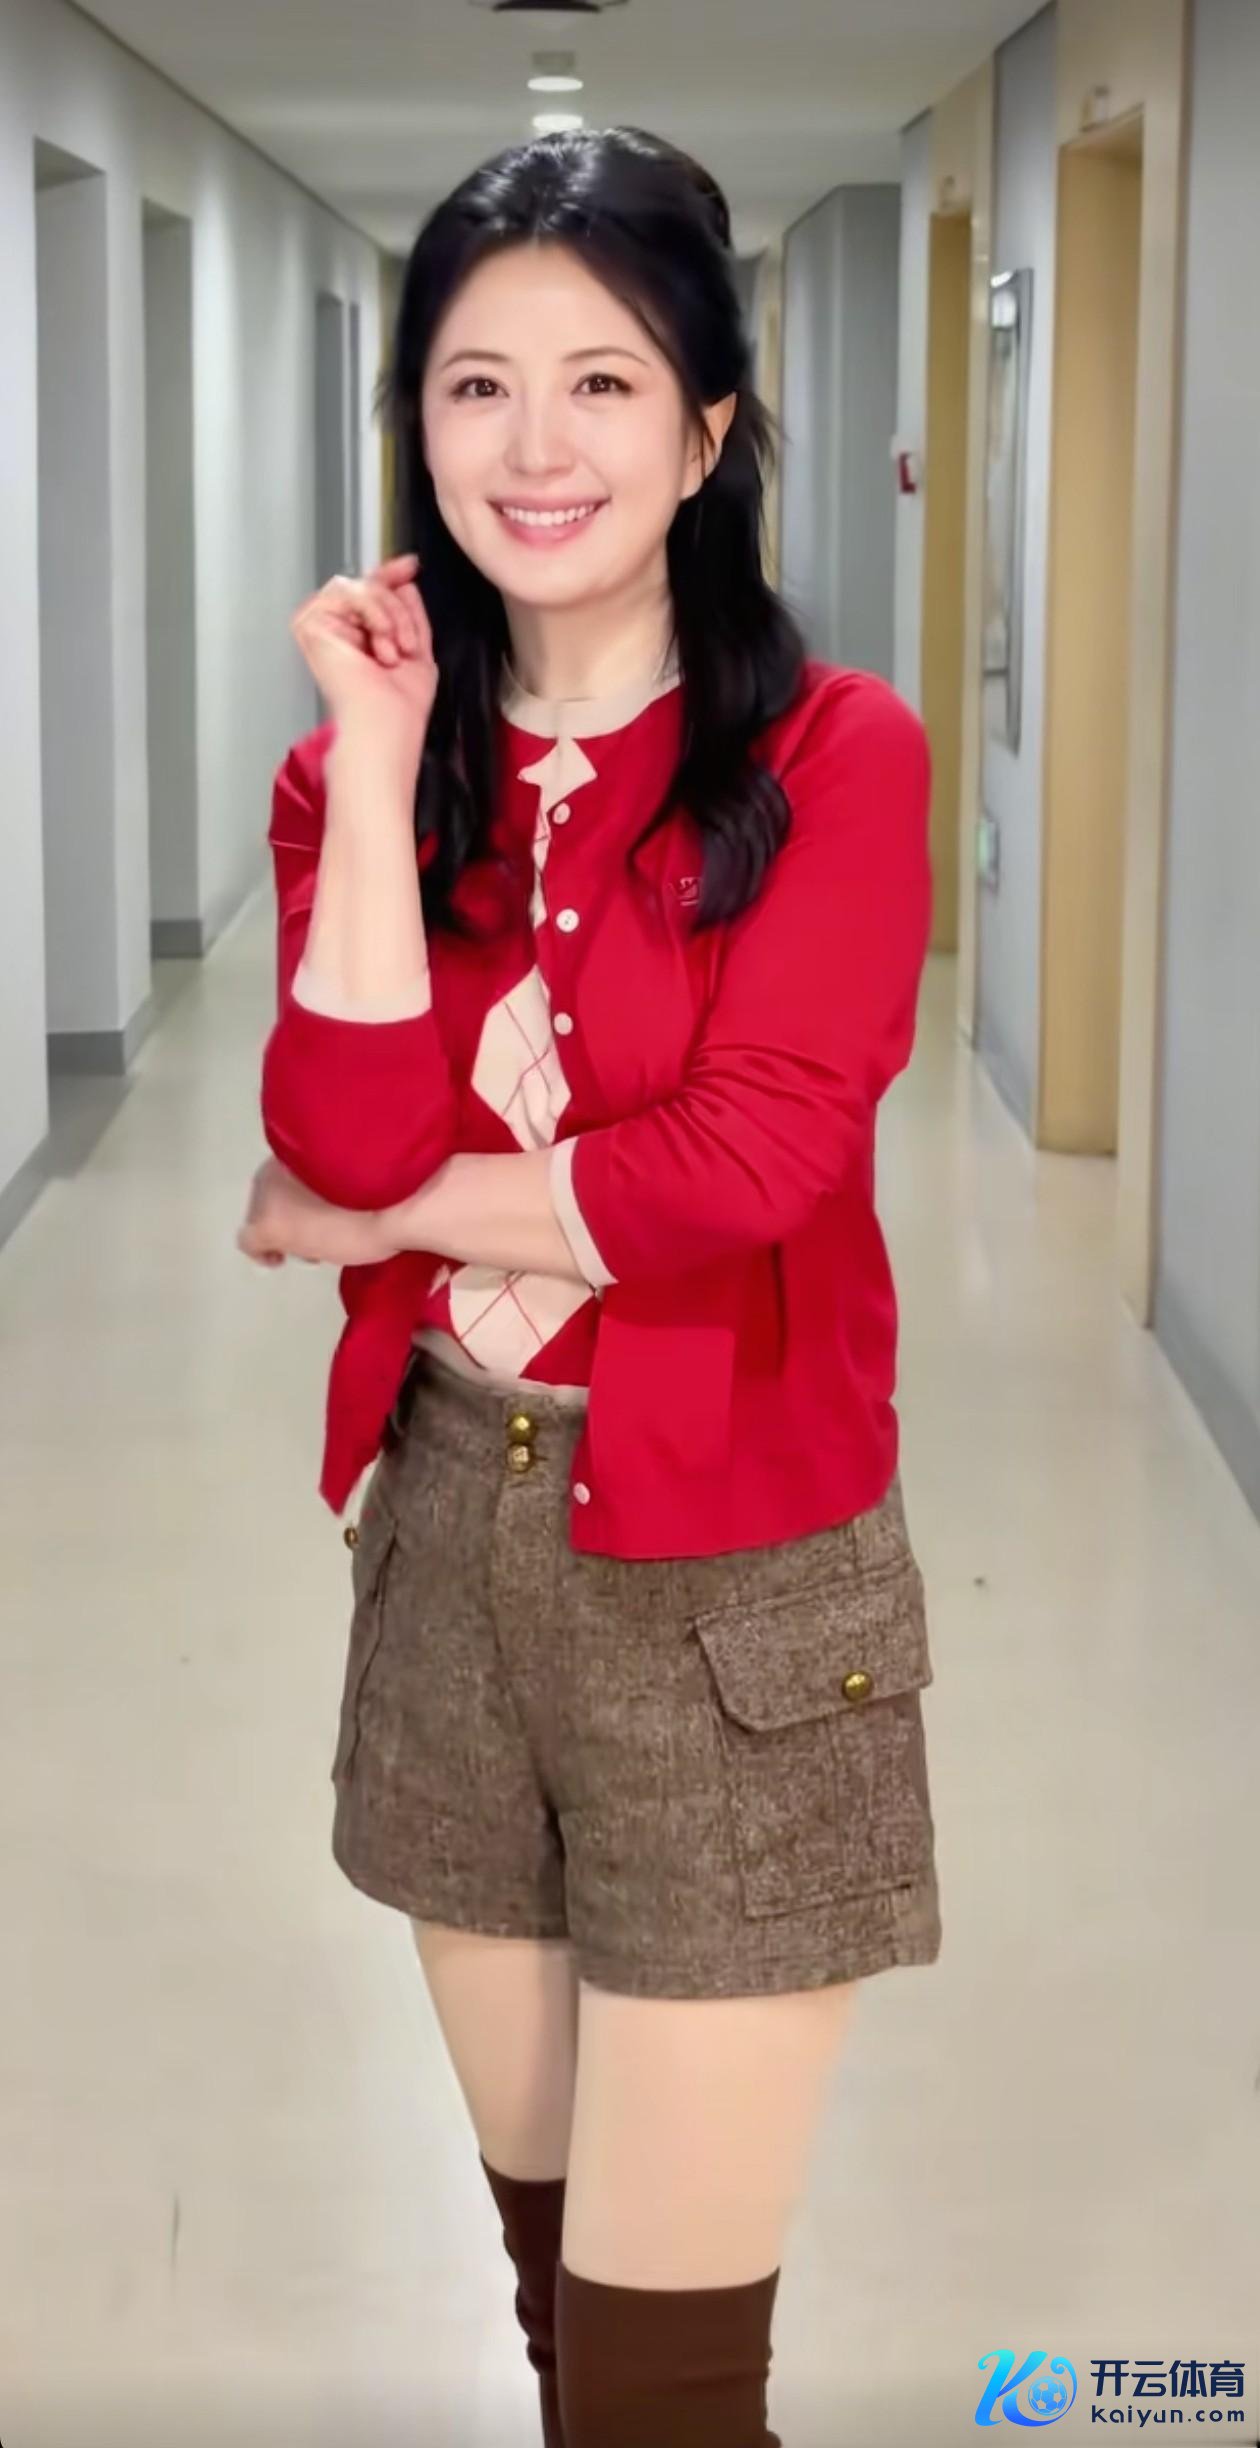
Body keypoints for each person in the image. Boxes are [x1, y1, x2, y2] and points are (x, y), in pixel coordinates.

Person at [238, 124, 942, 2448]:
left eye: (605, 382)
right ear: (417, 426)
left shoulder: (833, 758)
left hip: (734, 1589)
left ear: (709, 431)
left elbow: (750, 1165)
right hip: (450, 1553)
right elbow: (340, 1132)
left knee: (665, 2381)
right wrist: (375, 762)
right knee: (564, 2323)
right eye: (477, 387)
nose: (534, 448)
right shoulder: (356, 783)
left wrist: (385, 1222)